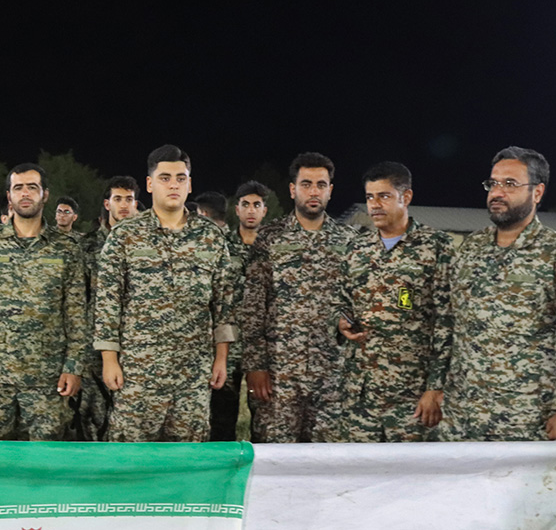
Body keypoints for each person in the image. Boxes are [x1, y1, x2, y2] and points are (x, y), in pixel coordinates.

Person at [439, 146, 556, 441]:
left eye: (510, 184)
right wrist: (435, 386)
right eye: (493, 183)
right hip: (462, 416)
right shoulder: (472, 249)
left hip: (525, 419)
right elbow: (450, 322)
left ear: (537, 192)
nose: (497, 192)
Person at [94, 145, 236, 442]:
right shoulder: (125, 236)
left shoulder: (210, 237)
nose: (173, 185)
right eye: (165, 178)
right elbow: (108, 302)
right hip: (137, 373)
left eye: (180, 178)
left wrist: (221, 358)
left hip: (192, 375)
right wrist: (109, 359)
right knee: (131, 456)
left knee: (187, 456)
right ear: (149, 184)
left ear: (189, 184)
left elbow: (223, 303)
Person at [0, 164, 87, 440]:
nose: (25, 193)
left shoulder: (66, 248)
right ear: (9, 196)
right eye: (18, 188)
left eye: (32, 187)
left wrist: (74, 366)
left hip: (48, 379)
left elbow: (76, 313)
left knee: (45, 457)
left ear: (45, 195)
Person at [242, 152, 359, 442]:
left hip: (331, 373)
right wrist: (256, 366)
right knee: (274, 455)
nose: (314, 191)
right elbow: (253, 306)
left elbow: (356, 299)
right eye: (306, 184)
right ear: (293, 189)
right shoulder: (269, 238)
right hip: (280, 373)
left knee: (327, 457)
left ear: (330, 190)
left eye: (321, 185)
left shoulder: (349, 241)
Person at [335, 162, 453, 441]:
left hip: (411, 397)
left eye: (384, 196)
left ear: (406, 197)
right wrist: (339, 321)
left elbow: (447, 322)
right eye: (369, 197)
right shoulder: (357, 248)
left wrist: (435, 388)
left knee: (411, 469)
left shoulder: (436, 247)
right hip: (360, 396)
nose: (374, 205)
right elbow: (340, 302)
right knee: (360, 467)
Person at [75, 175, 139, 440]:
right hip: (94, 344)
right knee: (92, 416)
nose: (123, 205)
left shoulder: (145, 243)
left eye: (129, 199)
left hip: (137, 345)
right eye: (117, 199)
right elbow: (78, 299)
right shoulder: (88, 245)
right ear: (107, 203)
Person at [209, 180, 269, 441]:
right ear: (237, 209)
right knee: (221, 416)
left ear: (264, 210)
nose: (251, 210)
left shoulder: (273, 249)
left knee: (264, 415)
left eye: (256, 205)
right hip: (228, 342)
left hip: (261, 344)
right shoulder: (222, 245)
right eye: (245, 204)